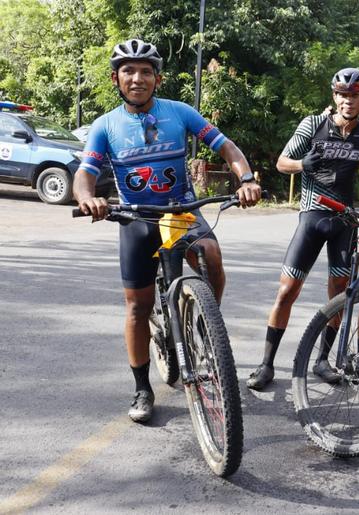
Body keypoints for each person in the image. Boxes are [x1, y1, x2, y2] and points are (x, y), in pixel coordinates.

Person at [73, 38, 262, 423]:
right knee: (138, 307)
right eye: (129, 71)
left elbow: (228, 149)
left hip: (180, 211)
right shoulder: (105, 125)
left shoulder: (180, 112)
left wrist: (246, 179)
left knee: (210, 255)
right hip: (135, 219)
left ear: (157, 79)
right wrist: (87, 198)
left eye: (145, 71)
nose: (137, 78)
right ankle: (142, 387)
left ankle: (204, 324)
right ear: (116, 78)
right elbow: (84, 176)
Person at [246, 68, 359, 390]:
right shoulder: (313, 124)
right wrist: (303, 165)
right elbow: (282, 162)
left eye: (354, 95)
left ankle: (323, 359)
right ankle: (266, 364)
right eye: (342, 94)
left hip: (344, 222)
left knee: (338, 296)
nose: (347, 100)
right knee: (287, 291)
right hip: (312, 216)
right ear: (334, 96)